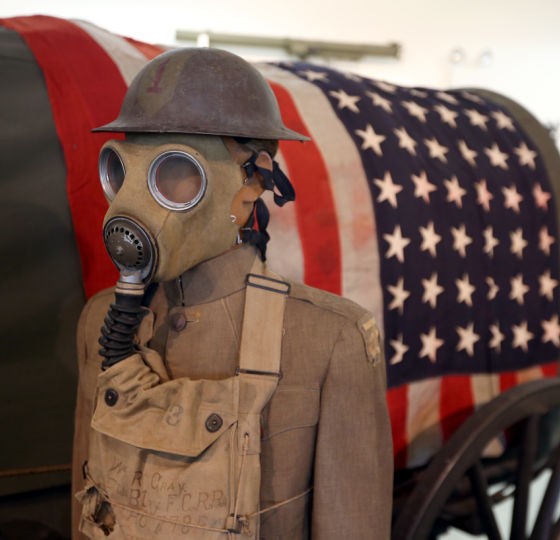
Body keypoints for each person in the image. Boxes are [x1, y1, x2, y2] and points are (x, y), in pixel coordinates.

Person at [72, 47, 392, 539]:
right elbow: (87, 502)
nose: (134, 206)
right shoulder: (103, 321)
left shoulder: (331, 339)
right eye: (124, 172)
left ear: (253, 185)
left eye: (174, 174)